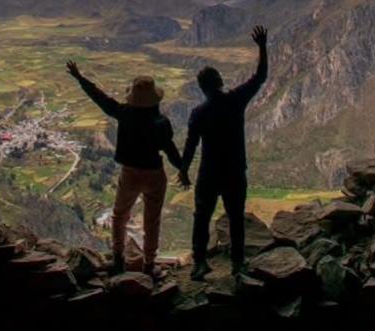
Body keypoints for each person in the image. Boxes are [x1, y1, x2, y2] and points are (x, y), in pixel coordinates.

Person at [66, 61, 183, 277]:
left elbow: (100, 98)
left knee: (119, 216)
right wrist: (183, 169)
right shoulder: (161, 122)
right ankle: (149, 264)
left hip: (129, 173)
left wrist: (80, 78)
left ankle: (118, 259)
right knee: (152, 220)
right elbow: (172, 152)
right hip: (154, 174)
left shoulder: (124, 113)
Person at [179, 24, 268, 280]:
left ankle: (199, 263)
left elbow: (191, 144)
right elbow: (260, 76)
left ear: (202, 88)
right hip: (234, 171)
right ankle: (238, 263)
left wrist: (184, 170)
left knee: (201, 217)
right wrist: (262, 46)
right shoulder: (235, 101)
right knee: (236, 218)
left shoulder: (199, 114)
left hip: (209, 174)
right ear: (220, 82)